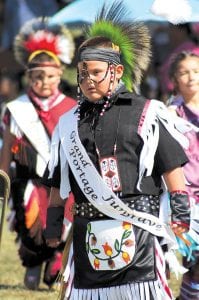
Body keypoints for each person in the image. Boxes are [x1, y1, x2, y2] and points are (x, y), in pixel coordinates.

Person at [44, 2, 191, 299]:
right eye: (82, 74)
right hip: (88, 236)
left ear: (117, 71)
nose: (87, 81)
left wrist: (181, 216)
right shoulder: (70, 124)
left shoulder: (146, 113)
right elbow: (60, 182)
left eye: (96, 73)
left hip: (138, 233)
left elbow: (171, 168)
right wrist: (53, 225)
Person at [0, 17, 76, 290]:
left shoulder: (71, 107)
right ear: (29, 77)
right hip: (28, 180)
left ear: (60, 76)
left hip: (61, 181)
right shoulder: (16, 109)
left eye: (50, 76)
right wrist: (2, 176)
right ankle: (33, 264)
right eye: (38, 76)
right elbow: (8, 144)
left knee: (60, 225)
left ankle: (54, 263)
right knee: (30, 226)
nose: (44, 81)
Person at [168, 51, 199, 300]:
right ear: (174, 79)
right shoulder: (170, 113)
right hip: (186, 195)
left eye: (196, 71)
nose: (191, 77)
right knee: (195, 255)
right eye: (184, 72)